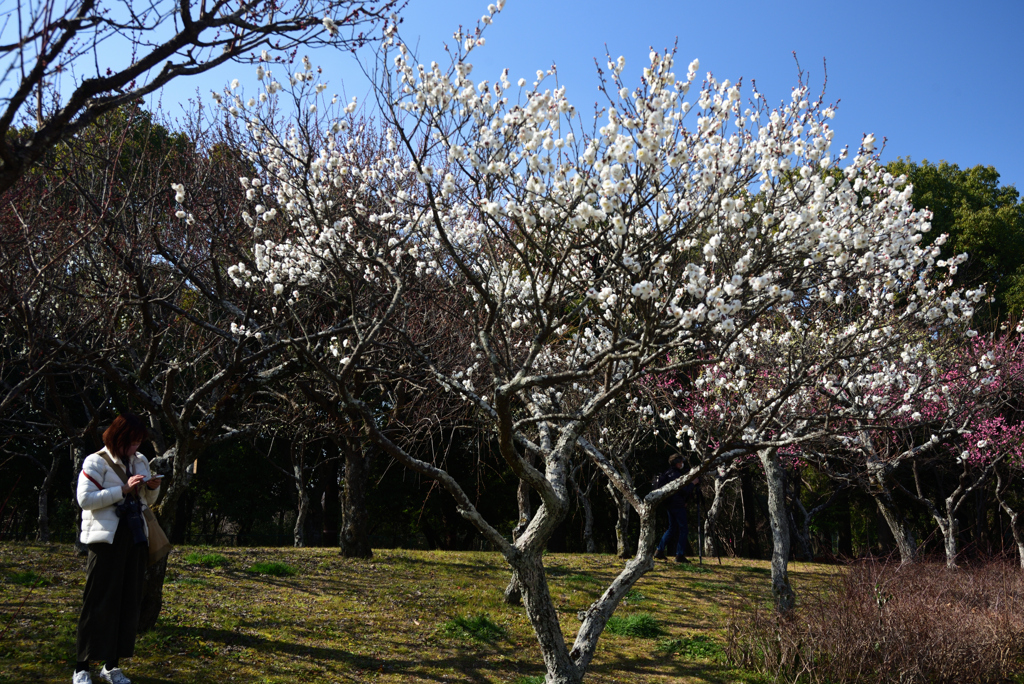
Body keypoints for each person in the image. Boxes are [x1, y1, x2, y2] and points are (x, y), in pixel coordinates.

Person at [73, 414, 162, 684]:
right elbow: (85, 499)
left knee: (127, 601)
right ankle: (81, 667)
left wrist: (152, 487)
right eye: (131, 442)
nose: (135, 448)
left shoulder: (141, 461)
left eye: (139, 443)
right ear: (118, 437)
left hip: (135, 536)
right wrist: (122, 489)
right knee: (98, 601)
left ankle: (112, 666)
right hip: (105, 539)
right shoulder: (95, 461)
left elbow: (147, 499)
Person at [653, 454, 697, 563]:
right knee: (683, 529)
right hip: (677, 505)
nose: (682, 464)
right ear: (677, 463)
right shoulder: (676, 475)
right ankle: (680, 555)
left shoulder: (667, 473)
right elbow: (684, 490)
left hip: (669, 504)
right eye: (681, 462)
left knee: (672, 528)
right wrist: (693, 483)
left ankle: (659, 550)